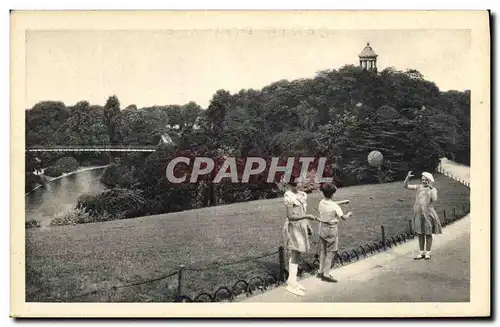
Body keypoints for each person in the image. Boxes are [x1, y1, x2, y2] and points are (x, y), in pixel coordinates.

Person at [283, 178, 317, 296]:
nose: (298, 186)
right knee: (295, 252)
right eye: (295, 184)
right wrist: (306, 216)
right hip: (294, 227)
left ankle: (292, 281)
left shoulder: (302, 195)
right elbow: (290, 216)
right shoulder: (288, 196)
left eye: (299, 183)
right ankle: (291, 285)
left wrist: (308, 225)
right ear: (290, 184)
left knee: (297, 254)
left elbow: (302, 211)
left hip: (301, 226)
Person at [316, 183, 352, 282]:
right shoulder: (335, 207)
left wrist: (343, 202)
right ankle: (326, 274)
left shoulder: (322, 202)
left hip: (322, 228)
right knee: (331, 252)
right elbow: (343, 218)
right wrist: (349, 214)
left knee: (323, 251)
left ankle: (320, 271)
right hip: (331, 230)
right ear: (332, 194)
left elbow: (331, 203)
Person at [404, 171, 442, 260]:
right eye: (423, 180)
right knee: (420, 233)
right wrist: (407, 178)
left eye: (426, 180)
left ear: (430, 181)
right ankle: (421, 252)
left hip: (428, 213)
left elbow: (435, 199)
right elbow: (405, 186)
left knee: (428, 233)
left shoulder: (432, 189)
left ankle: (428, 252)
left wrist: (431, 188)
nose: (424, 181)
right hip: (418, 212)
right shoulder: (418, 187)